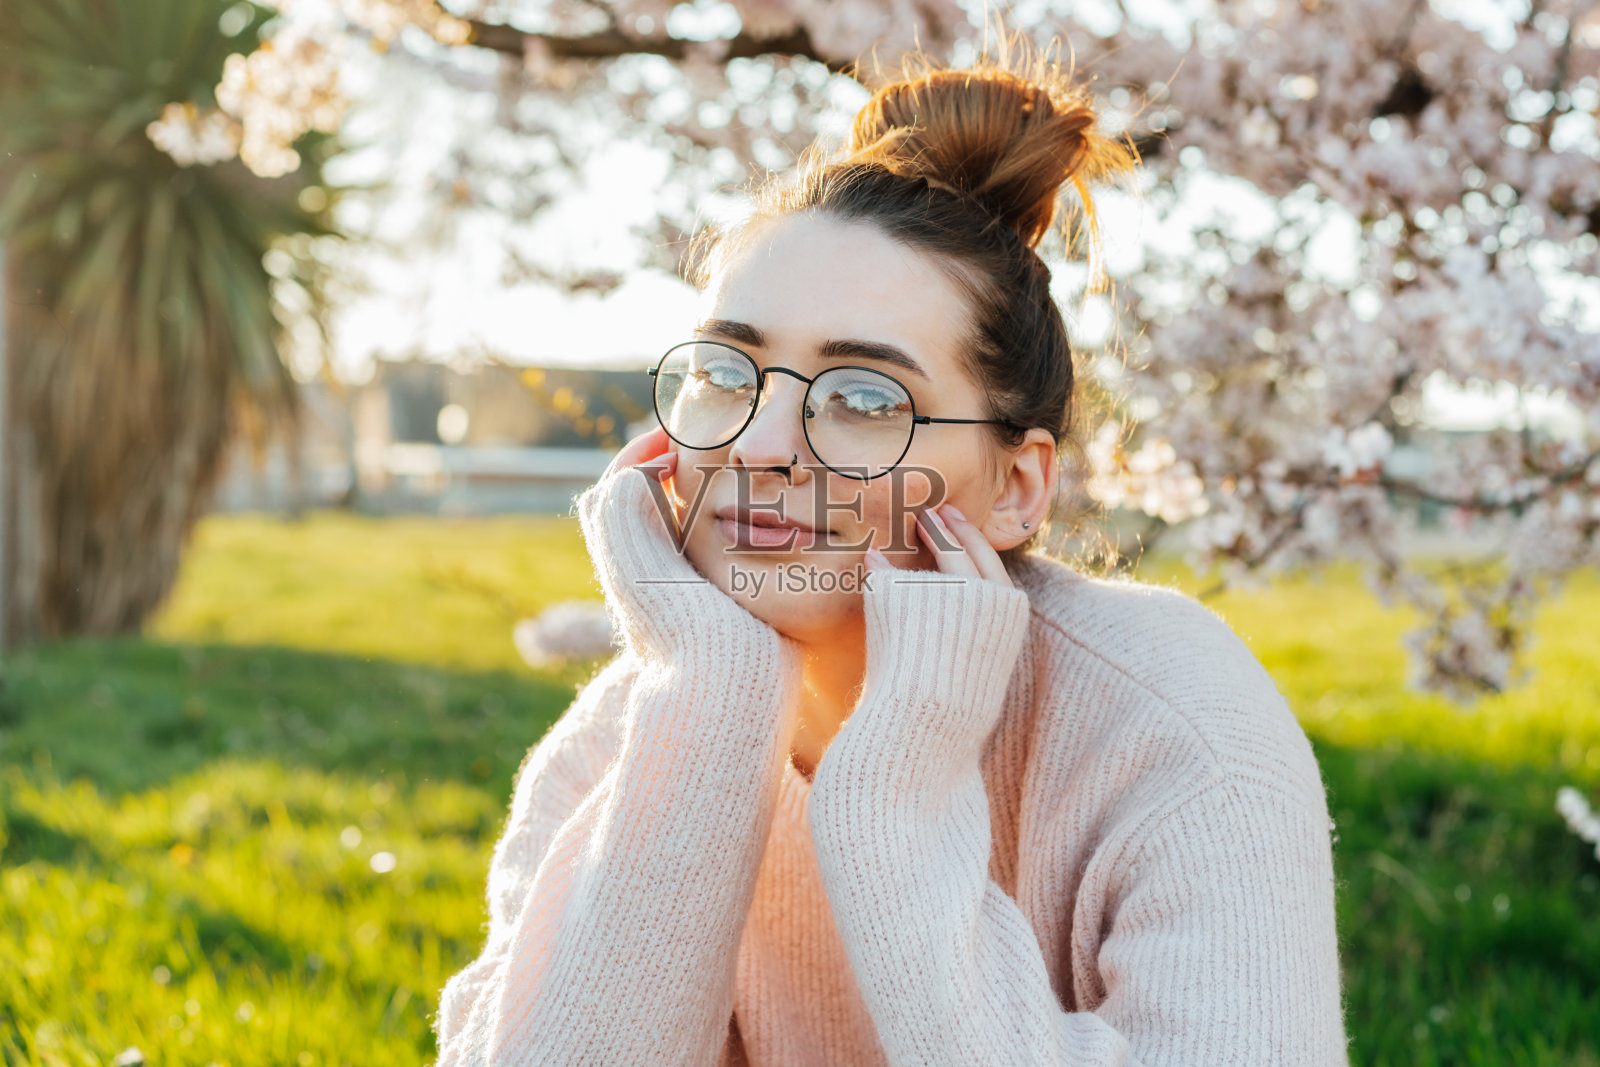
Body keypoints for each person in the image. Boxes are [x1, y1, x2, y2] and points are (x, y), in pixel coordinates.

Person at [431, 27, 1350, 1067]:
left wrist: (896, 788)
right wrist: (714, 690)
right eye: (728, 375)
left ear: (1017, 488)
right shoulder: (627, 738)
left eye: (865, 397)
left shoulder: (1168, 723)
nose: (760, 445)